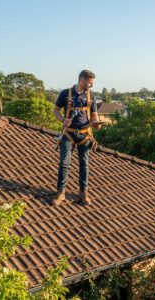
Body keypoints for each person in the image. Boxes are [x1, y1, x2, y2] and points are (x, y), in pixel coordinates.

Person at [52, 70, 101, 205]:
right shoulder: (65, 94)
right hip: (68, 133)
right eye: (90, 83)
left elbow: (94, 113)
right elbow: (55, 110)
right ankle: (61, 193)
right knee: (64, 163)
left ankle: (83, 192)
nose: (91, 86)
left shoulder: (91, 95)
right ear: (82, 81)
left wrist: (96, 123)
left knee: (84, 164)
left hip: (85, 134)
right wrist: (63, 120)